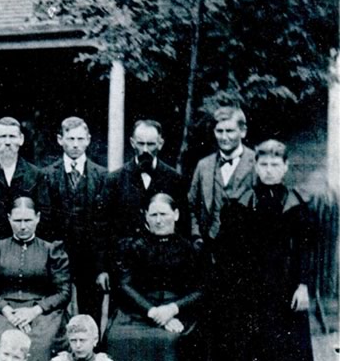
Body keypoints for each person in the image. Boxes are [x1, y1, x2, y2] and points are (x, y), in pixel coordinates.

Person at [212, 139, 317, 361]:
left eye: (275, 165)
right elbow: (227, 252)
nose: (269, 171)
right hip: (249, 289)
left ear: (285, 167)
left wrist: (304, 285)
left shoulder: (297, 204)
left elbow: (306, 250)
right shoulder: (243, 202)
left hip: (285, 287)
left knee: (285, 346)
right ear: (255, 166)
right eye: (264, 164)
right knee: (249, 346)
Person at [106, 193, 225, 361]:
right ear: (146, 218)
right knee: (116, 338)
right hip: (139, 310)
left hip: (180, 311)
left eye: (164, 214)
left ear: (176, 215)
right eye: (154, 215)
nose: (159, 220)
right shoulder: (133, 246)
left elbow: (202, 289)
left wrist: (173, 309)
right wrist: (152, 311)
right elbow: (125, 285)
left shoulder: (191, 249)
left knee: (169, 340)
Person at [0, 197, 71, 361]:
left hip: (41, 312)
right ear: (9, 218)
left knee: (39, 343)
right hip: (1, 311)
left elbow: (64, 292)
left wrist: (35, 311)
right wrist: (5, 309)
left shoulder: (51, 250)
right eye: (17, 221)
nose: (23, 226)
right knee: (0, 339)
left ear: (38, 218)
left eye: (28, 220)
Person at [97, 120, 187, 295]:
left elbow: (182, 224)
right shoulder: (114, 180)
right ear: (132, 143)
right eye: (141, 143)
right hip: (123, 267)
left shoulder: (174, 179)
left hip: (163, 267)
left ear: (160, 143)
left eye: (151, 144)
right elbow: (101, 227)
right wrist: (102, 269)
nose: (145, 149)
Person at [39, 117, 108, 324]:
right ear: (60, 140)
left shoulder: (102, 176)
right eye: (70, 139)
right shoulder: (46, 176)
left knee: (91, 312)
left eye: (80, 139)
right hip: (59, 256)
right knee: (56, 310)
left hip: (91, 259)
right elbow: (45, 223)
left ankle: (93, 352)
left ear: (88, 140)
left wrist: (102, 266)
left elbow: (105, 225)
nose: (75, 144)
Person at [187, 106, 256, 255]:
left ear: (243, 132)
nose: (224, 137)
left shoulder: (257, 164)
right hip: (210, 248)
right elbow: (190, 205)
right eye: (219, 131)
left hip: (247, 251)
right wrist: (196, 235)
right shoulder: (204, 165)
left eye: (230, 131)